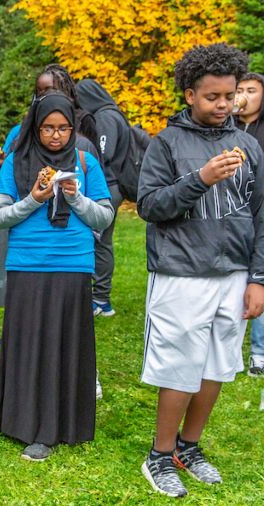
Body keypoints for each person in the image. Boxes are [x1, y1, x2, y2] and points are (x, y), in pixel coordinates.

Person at [137, 43, 264, 498]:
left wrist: (258, 278)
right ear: (190, 94)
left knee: (217, 366)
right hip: (181, 273)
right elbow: (149, 206)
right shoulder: (165, 143)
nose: (224, 105)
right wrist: (201, 179)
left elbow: (261, 214)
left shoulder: (248, 144)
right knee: (179, 367)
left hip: (233, 273)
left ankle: (189, 448)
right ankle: (159, 454)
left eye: (230, 96)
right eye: (213, 97)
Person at [0, 92, 113, 462]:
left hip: (73, 264)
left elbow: (104, 218)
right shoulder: (15, 162)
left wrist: (76, 198)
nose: (55, 136)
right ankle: (28, 425)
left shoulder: (85, 163)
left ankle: (66, 424)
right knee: (31, 346)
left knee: (66, 345)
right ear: (35, 127)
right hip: (27, 264)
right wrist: (34, 199)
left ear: (73, 130)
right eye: (48, 128)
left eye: (63, 128)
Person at [76, 79, 128, 317]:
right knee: (100, 241)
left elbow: (102, 153)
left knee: (101, 241)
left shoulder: (106, 117)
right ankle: (99, 297)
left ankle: (101, 299)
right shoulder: (113, 113)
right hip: (111, 184)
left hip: (108, 185)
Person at [235, 72, 264, 377]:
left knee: (260, 273)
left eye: (251, 90)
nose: (243, 96)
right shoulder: (225, 128)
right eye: (239, 89)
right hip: (234, 212)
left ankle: (259, 351)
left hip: (260, 207)